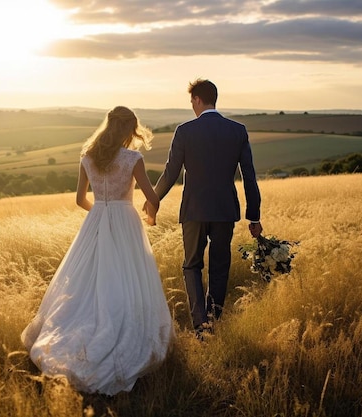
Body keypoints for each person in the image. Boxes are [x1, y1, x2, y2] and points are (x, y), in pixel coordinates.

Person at [21, 106, 174, 395]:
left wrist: (101, 214)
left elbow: (80, 200)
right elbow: (152, 196)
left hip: (96, 222)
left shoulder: (88, 157)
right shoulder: (133, 159)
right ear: (129, 129)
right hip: (126, 223)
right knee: (126, 280)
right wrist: (150, 216)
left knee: (84, 283)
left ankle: (68, 337)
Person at [145, 79, 263, 339]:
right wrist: (254, 215)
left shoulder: (185, 131)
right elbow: (249, 176)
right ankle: (214, 318)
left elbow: (170, 172)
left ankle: (201, 326)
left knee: (192, 266)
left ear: (197, 99)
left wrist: (152, 200)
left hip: (194, 211)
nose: (192, 107)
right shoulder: (238, 130)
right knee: (220, 267)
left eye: (191, 102)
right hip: (224, 211)